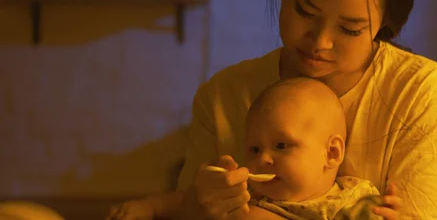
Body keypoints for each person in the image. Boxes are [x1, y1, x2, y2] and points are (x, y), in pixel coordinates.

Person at [118, 0, 437, 219]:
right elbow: (182, 205)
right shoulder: (224, 96)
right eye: (304, 11)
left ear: (385, 23)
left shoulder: (421, 95)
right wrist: (197, 210)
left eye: (350, 29)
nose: (319, 43)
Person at [107, 78, 383, 220]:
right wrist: (148, 207)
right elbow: (184, 199)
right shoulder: (246, 192)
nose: (263, 158)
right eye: (253, 149)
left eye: (281, 145)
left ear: (331, 153)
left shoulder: (352, 201)